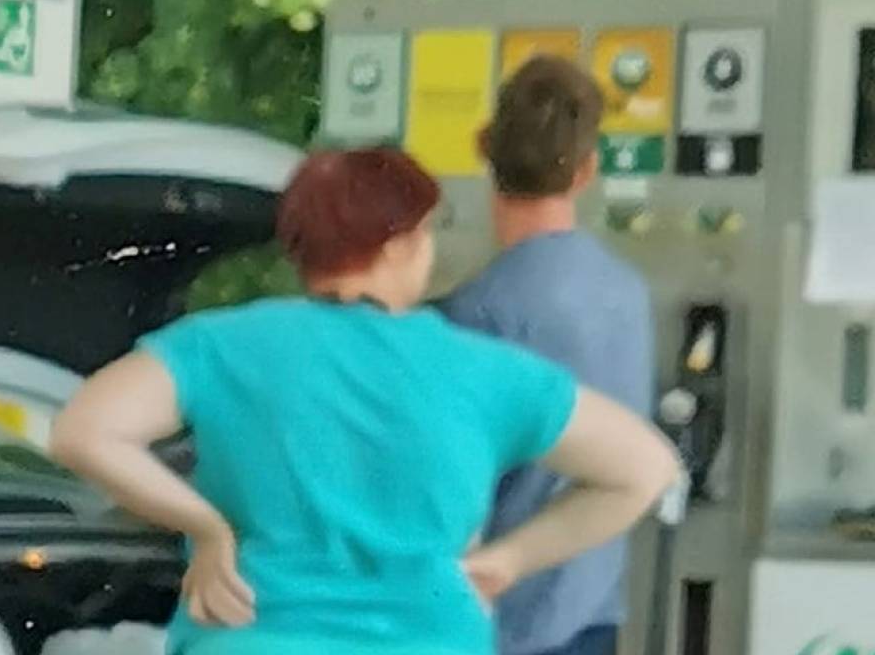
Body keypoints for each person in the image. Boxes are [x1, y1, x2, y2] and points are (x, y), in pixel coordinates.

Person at [50, 147, 678, 655]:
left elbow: (83, 432)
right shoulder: (481, 370)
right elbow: (644, 471)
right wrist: (508, 562)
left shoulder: (222, 347)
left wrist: (205, 527)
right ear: (400, 244)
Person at [436, 56, 656, 655]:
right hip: (595, 610)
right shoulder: (628, 294)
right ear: (587, 170)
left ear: (483, 147)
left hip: (495, 611)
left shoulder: (474, 310)